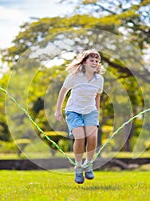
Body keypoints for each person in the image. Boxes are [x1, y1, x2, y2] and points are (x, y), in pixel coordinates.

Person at [54, 49, 104, 184]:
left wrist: (97, 112)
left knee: (92, 137)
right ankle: (78, 166)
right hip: (73, 111)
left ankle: (88, 164)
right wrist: (58, 110)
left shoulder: (99, 79)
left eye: (97, 61)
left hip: (91, 111)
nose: (94, 63)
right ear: (84, 62)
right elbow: (63, 91)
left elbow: (97, 96)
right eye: (91, 60)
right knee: (80, 138)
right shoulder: (74, 76)